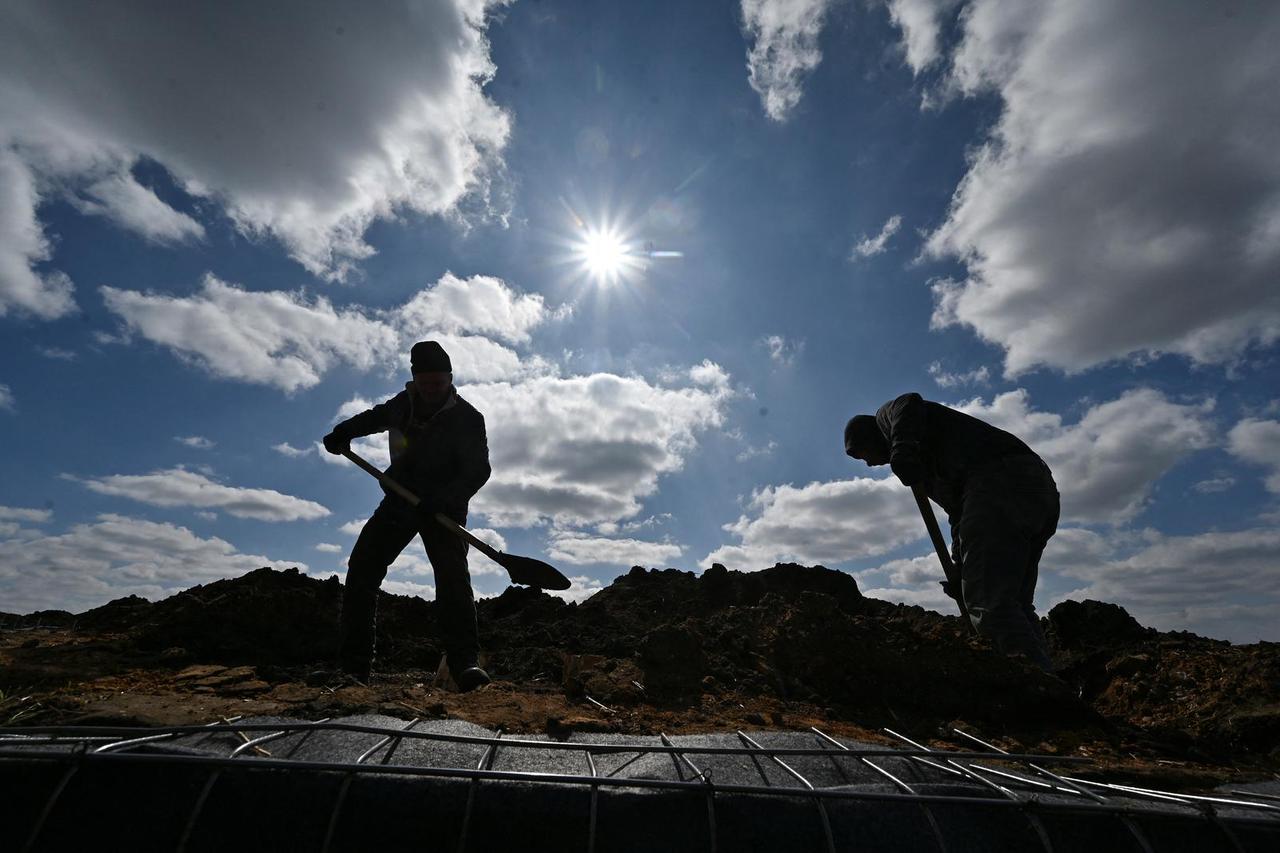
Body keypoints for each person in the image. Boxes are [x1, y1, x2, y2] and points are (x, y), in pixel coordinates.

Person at [844, 392, 1059, 671]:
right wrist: (961, 569)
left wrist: (902, 447)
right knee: (1014, 602)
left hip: (1000, 482)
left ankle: (1042, 698)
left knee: (990, 607)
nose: (870, 464)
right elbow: (960, 515)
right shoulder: (933, 464)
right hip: (1035, 489)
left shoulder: (888, 418)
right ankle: (1049, 679)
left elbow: (908, 401)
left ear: (871, 436)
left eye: (863, 455)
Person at [322, 341, 492, 690]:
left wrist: (443, 499)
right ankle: (353, 669)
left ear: (450, 379)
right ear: (415, 380)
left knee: (453, 580)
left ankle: (464, 666)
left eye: (439, 383)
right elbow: (374, 417)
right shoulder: (404, 405)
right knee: (363, 570)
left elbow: (478, 471)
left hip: (444, 508)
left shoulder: (468, 418)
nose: (432, 389)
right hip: (401, 500)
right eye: (426, 383)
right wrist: (344, 432)